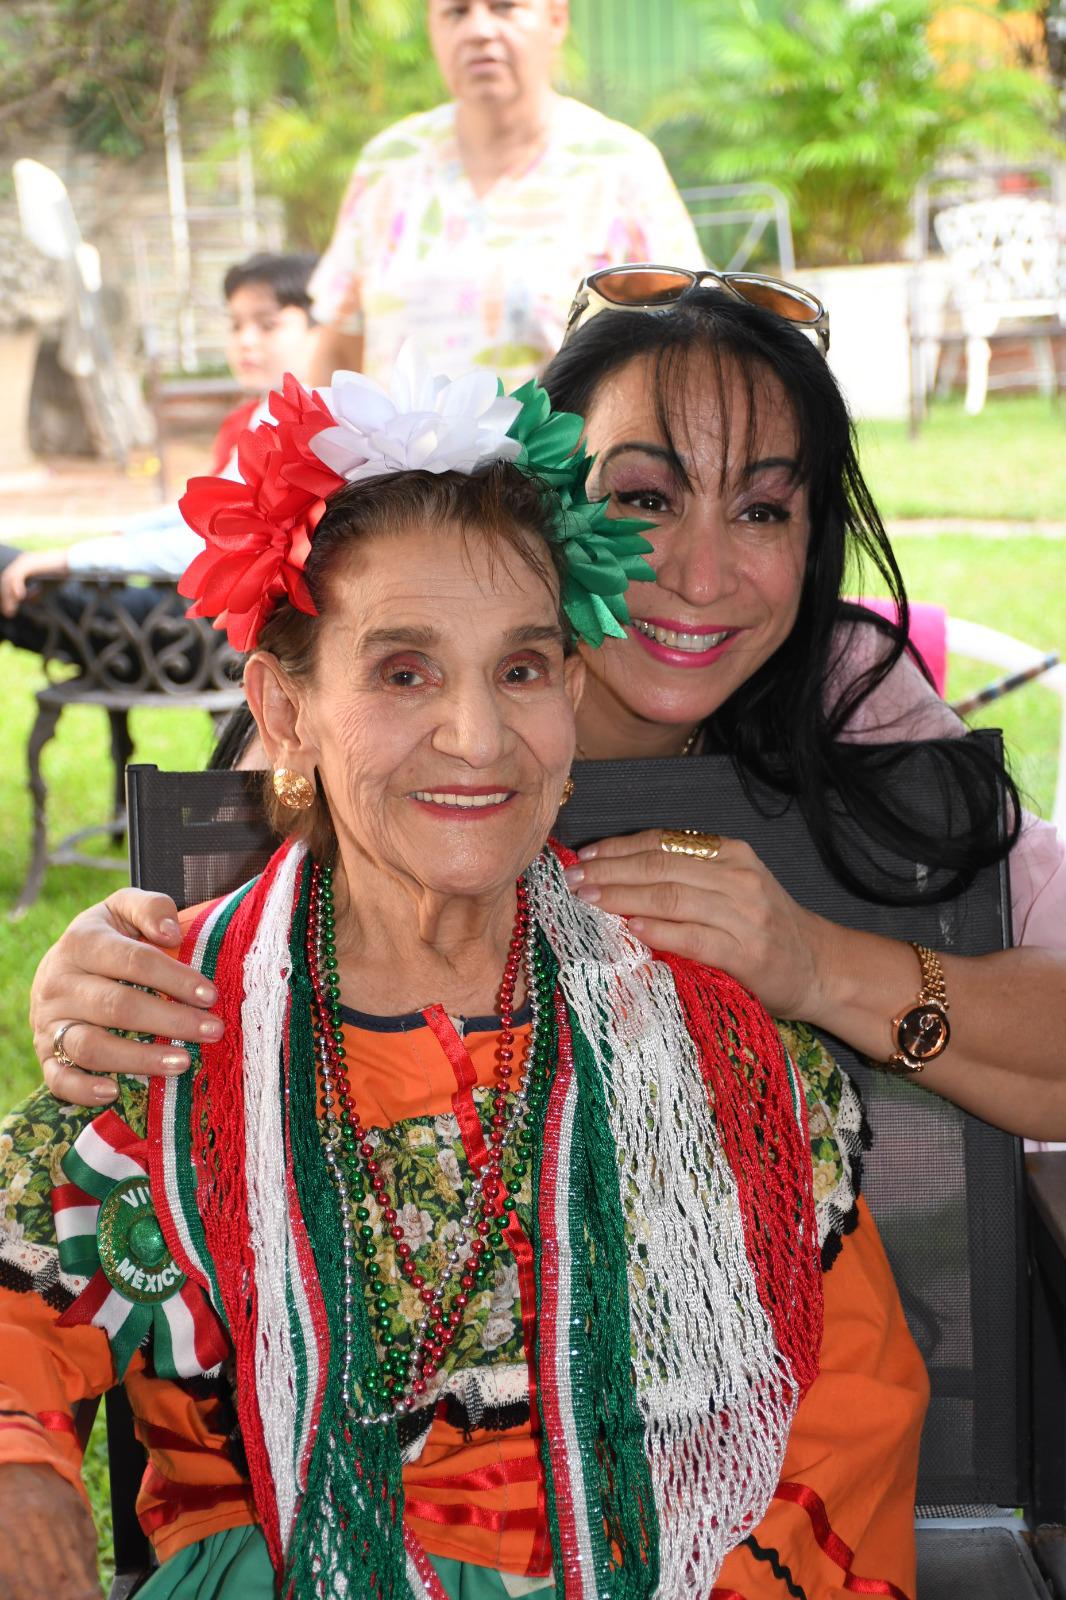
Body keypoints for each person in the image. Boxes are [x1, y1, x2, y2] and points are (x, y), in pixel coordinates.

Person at [0, 361, 925, 1599]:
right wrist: (17, 1474)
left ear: (571, 696)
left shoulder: (703, 1037)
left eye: (523, 669)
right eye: (402, 672)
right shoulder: (175, 1024)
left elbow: (845, 1414)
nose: (479, 737)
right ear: (284, 709)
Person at [30, 272, 1066, 1140]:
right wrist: (99, 981)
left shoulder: (845, 690)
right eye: (644, 500)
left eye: (760, 509)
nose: (701, 576)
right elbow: (204, 998)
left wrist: (817, 966)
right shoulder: (356, 733)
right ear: (548, 505)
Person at [307, 0, 703, 390]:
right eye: (457, 11)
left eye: (504, 7)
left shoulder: (619, 166)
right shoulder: (389, 164)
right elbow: (339, 351)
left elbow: (689, 341)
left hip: (555, 456)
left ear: (555, 19)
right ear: (433, 26)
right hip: (396, 457)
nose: (479, 30)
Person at [0, 253, 319, 649]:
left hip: (193, 634)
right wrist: (121, 534)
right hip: (178, 615)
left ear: (320, 330)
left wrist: (71, 559)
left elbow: (212, 545)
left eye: (267, 325)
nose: (246, 340)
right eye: (236, 325)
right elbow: (202, 517)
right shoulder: (263, 414)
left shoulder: (304, 426)